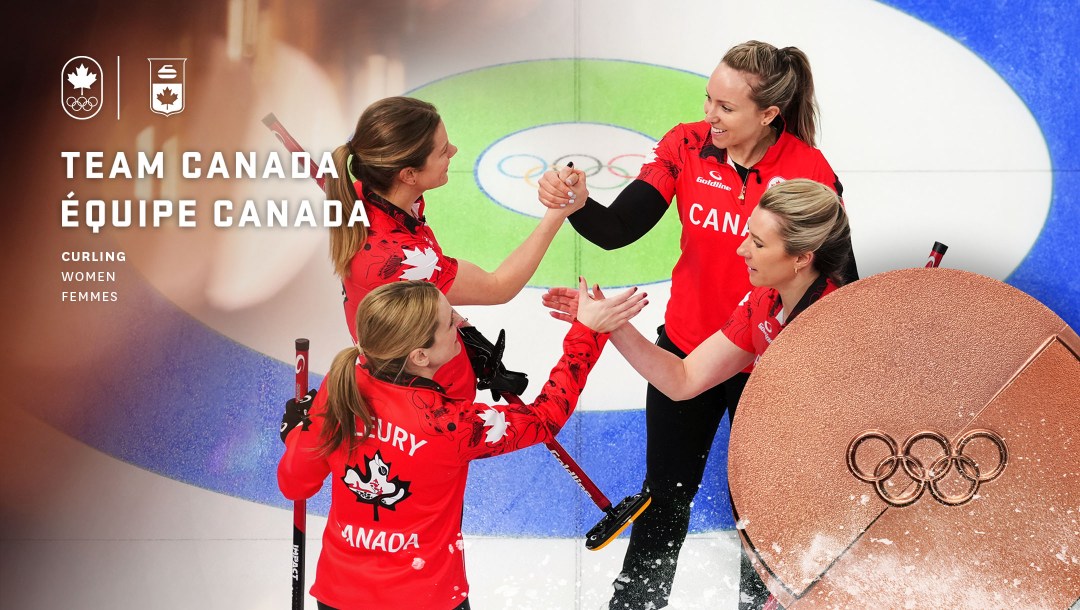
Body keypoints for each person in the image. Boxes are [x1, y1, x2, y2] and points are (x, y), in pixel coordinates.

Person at [538, 42, 857, 609]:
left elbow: (841, 290)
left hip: (771, 372)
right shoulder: (685, 144)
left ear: (768, 115)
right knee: (664, 495)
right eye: (709, 99)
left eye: (726, 108)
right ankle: (635, 603)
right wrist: (578, 203)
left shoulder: (809, 173)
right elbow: (617, 229)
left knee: (762, 507)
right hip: (688, 348)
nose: (710, 114)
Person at [278, 280, 645, 610]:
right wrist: (588, 334)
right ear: (419, 356)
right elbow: (545, 418)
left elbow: (295, 483)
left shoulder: (341, 385)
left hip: (340, 596)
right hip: (428, 599)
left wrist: (297, 432)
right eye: (450, 321)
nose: (460, 320)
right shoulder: (452, 427)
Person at [325, 95, 583, 403]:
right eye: (441, 151)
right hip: (431, 397)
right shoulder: (400, 259)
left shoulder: (370, 194)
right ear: (408, 174)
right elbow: (497, 287)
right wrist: (558, 212)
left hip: (420, 361)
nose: (453, 151)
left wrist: (468, 336)